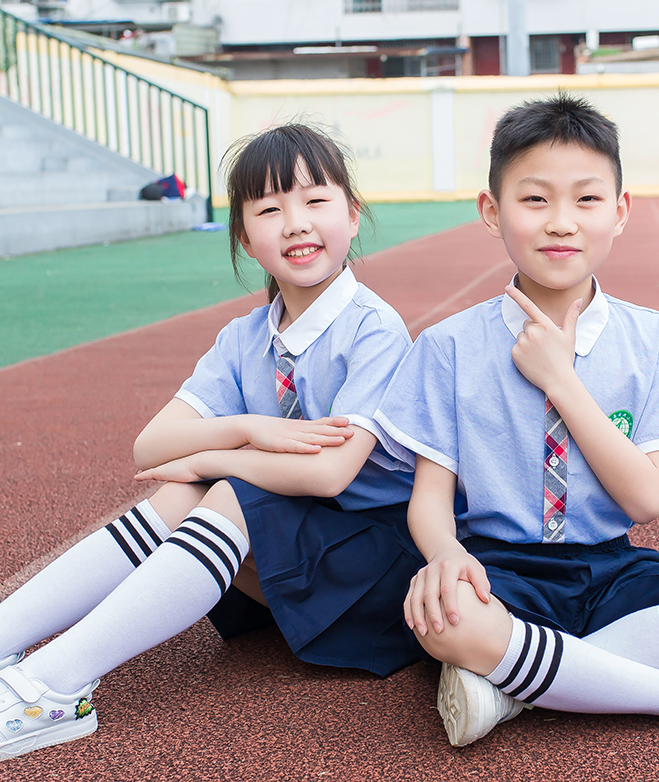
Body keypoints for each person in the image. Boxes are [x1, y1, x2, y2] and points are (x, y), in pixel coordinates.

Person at [374, 92, 659, 747]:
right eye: (535, 199)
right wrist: (446, 555)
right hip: (498, 575)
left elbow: (646, 498)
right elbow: (429, 500)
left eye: (587, 200)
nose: (561, 222)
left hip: (613, 573)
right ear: (492, 211)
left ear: (621, 211)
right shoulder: (448, 347)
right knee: (444, 616)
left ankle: (520, 685)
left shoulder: (657, 341)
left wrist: (562, 380)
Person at [0, 123, 424, 760]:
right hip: (292, 557)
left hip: (375, 570)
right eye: (269, 209)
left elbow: (332, 475)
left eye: (315, 201)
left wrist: (211, 457)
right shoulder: (245, 337)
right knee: (187, 491)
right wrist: (249, 429)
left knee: (219, 487)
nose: (295, 223)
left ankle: (51, 686)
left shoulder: (375, 330)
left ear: (352, 214)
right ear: (246, 238)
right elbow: (151, 446)